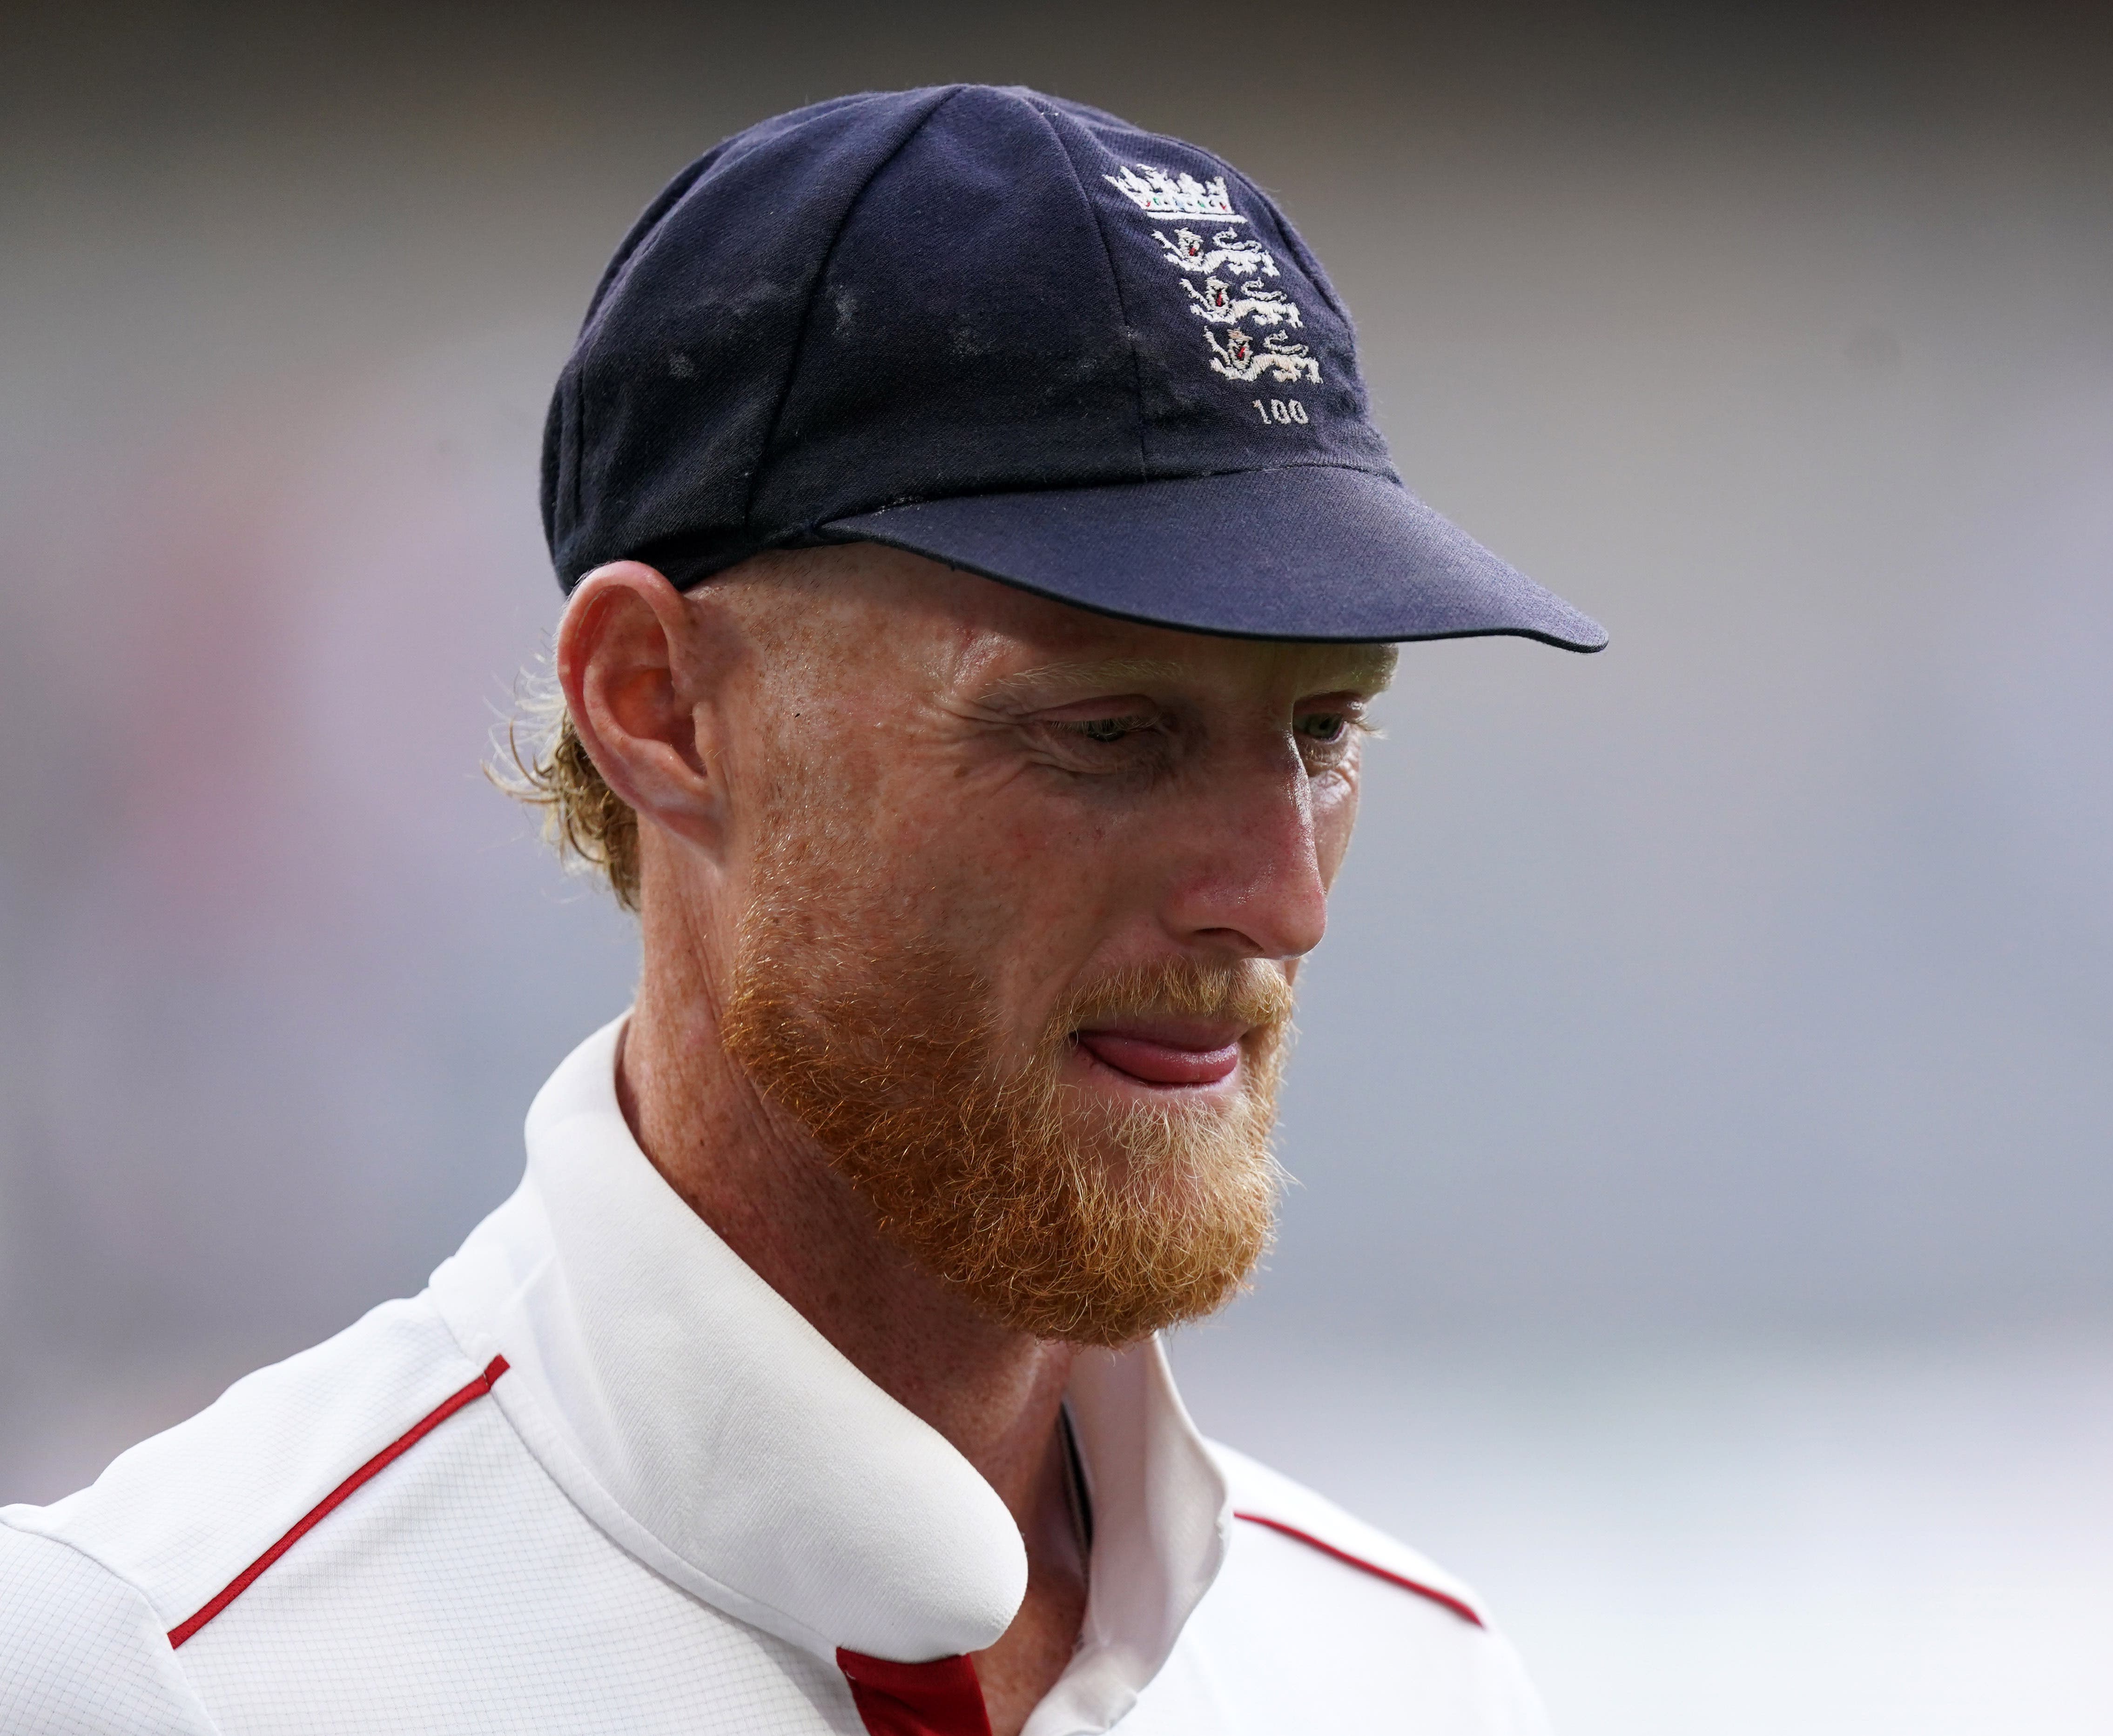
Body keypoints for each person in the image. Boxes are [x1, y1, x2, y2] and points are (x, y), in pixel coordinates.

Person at [0, 86, 1603, 1736]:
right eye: (1106, 733)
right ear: (660, 706)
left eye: (1321, 731)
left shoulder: (1413, 1680)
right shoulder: (149, 1668)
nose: (1279, 899)